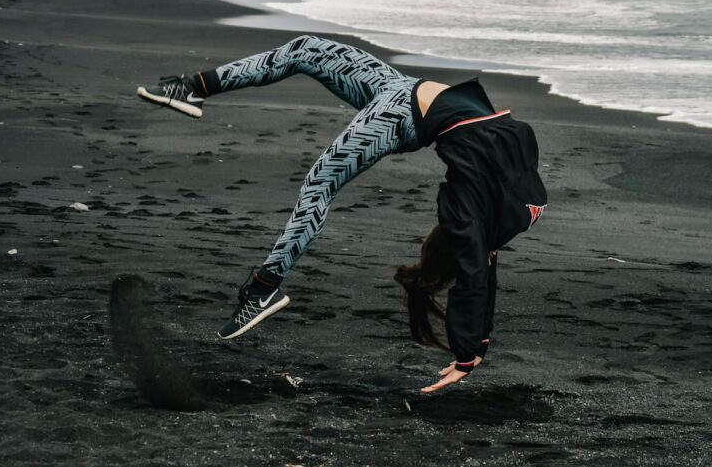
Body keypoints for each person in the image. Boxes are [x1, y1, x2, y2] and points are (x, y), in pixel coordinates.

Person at [137, 34, 547, 393]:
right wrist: (477, 348)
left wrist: (466, 355)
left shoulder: (477, 215)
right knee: (305, 49)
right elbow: (480, 271)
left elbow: (476, 271)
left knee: (320, 183)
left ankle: (264, 287)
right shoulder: (494, 224)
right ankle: (193, 89)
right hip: (404, 89)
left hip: (401, 115)